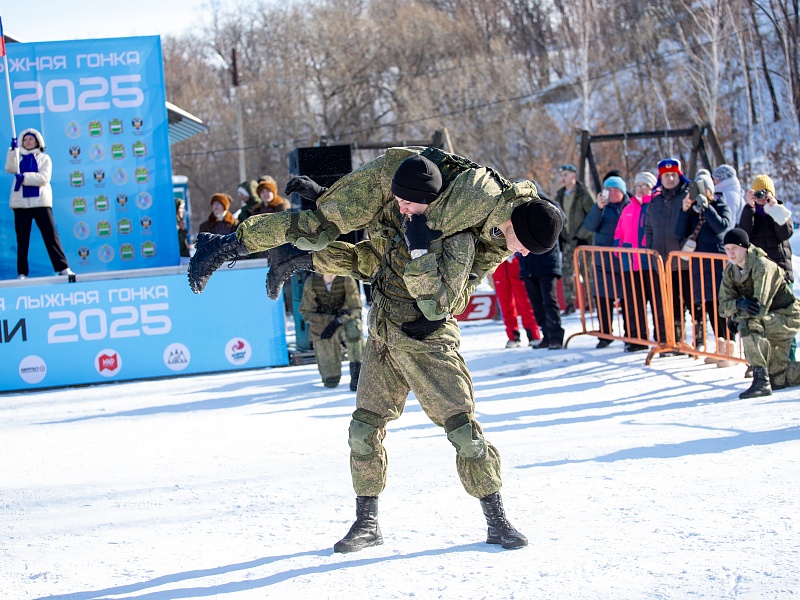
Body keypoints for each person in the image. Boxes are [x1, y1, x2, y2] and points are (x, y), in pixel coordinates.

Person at [188, 147, 563, 553]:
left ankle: (498, 521)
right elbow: (376, 248)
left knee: (464, 432)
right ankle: (366, 523)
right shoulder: (436, 208)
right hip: (385, 333)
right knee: (363, 432)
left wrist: (422, 261)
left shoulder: (465, 237)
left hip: (430, 345)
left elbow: (446, 293)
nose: (522, 254)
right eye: (525, 245)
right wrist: (329, 206)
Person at [718, 228, 800, 397]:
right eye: (727, 249)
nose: (731, 253)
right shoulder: (731, 271)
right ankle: (769, 378)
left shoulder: (761, 265)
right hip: (771, 318)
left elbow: (759, 309)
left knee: (748, 323)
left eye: (734, 248)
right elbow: (723, 308)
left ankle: (761, 381)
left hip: (787, 316)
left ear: (745, 247)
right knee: (778, 379)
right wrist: (738, 304)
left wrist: (736, 314)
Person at [675, 171, 734, 365]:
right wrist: (684, 210)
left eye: (703, 189)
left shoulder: (719, 204)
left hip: (717, 262)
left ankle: (730, 347)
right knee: (709, 304)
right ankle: (720, 346)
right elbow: (679, 232)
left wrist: (706, 207)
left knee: (722, 304)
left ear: (710, 190)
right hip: (699, 265)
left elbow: (722, 226)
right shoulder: (692, 211)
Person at [5, 129, 73, 279]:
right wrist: (12, 151)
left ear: (37, 141)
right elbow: (10, 168)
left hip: (41, 202)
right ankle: (22, 272)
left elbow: (43, 178)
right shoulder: (18, 157)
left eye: (31, 139)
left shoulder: (44, 158)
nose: (28, 142)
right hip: (21, 204)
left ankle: (63, 267)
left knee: (51, 236)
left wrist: (24, 178)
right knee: (22, 240)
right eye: (25, 139)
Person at [644, 158, 692, 346]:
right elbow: (648, 228)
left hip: (685, 262)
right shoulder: (655, 202)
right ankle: (676, 340)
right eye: (666, 176)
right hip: (662, 263)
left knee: (691, 302)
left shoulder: (688, 196)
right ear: (660, 178)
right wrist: (651, 248)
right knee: (671, 304)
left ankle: (698, 341)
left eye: (673, 175)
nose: (670, 179)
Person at [583, 175, 629, 347]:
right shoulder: (601, 207)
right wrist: (598, 207)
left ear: (623, 192)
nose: (613, 193)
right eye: (609, 190)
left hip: (625, 261)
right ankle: (605, 334)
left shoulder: (630, 206)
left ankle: (631, 333)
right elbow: (589, 226)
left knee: (628, 298)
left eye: (616, 190)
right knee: (603, 298)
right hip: (603, 262)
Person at [299, 273, 364, 390]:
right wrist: (328, 320)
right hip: (322, 325)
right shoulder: (312, 282)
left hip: (343, 321)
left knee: (354, 328)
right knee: (331, 382)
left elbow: (355, 308)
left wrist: (340, 319)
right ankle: (331, 376)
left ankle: (357, 374)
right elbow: (306, 312)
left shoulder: (346, 279)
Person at [614, 171, 656, 351]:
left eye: (645, 186)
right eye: (638, 186)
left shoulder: (654, 206)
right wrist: (618, 248)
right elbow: (619, 232)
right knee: (633, 303)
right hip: (630, 263)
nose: (641, 189)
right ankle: (637, 338)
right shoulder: (628, 208)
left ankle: (662, 337)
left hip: (650, 263)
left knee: (656, 302)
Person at [519, 194, 566, 349]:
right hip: (528, 265)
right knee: (537, 303)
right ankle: (546, 335)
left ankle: (556, 337)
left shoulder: (548, 205)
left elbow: (562, 220)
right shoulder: (520, 209)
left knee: (549, 301)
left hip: (547, 264)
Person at [738, 174, 794, 284]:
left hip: (780, 268)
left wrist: (775, 210)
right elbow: (745, 236)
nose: (761, 196)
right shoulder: (750, 212)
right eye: (757, 193)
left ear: (772, 194)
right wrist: (749, 208)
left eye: (764, 192)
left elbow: (785, 234)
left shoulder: (780, 210)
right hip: (758, 270)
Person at [554, 164, 595, 314]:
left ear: (573, 176)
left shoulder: (583, 193)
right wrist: (560, 236)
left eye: (566, 174)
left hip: (582, 239)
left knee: (586, 271)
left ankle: (591, 302)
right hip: (567, 240)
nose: (563, 178)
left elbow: (593, 216)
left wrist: (582, 235)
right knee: (566, 271)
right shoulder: (560, 195)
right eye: (562, 175)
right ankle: (570, 303)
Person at [492, 254, 540, 348]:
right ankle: (513, 337)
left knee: (525, 303)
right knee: (505, 305)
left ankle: (533, 335)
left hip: (516, 264)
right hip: (499, 266)